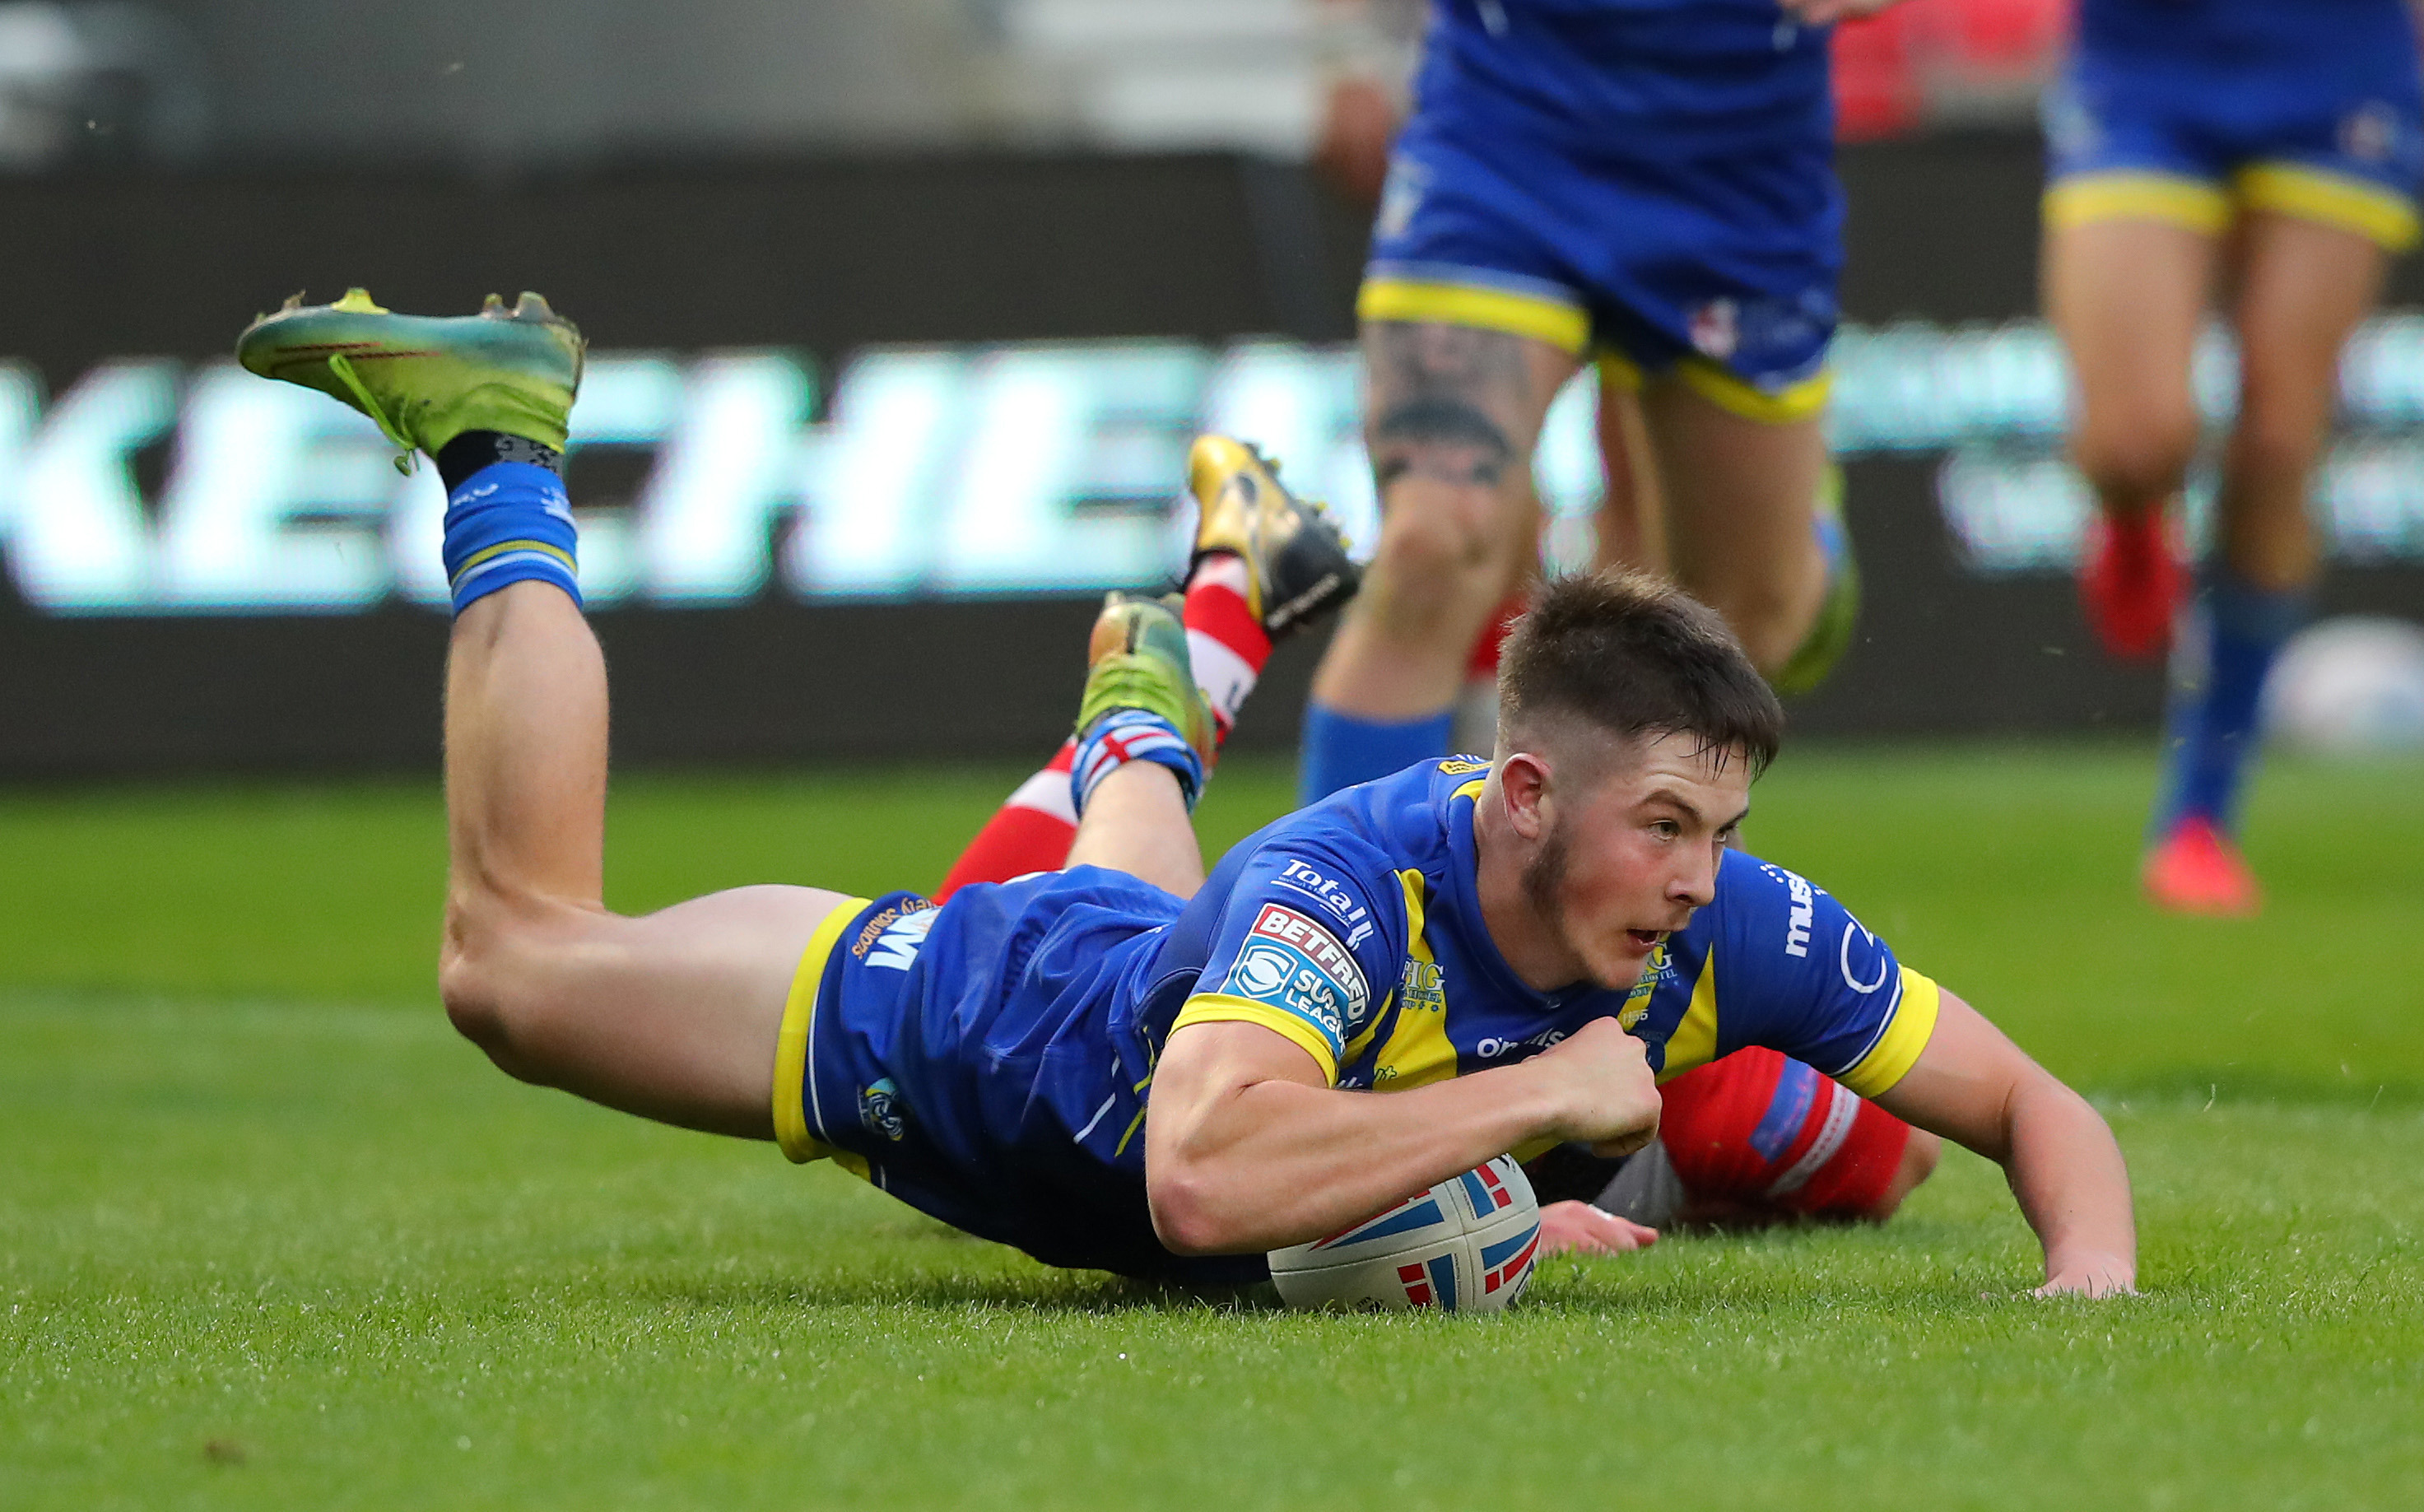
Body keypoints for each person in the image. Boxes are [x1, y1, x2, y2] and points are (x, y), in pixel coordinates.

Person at [235, 289, 2136, 1296]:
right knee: (510, 959)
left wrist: (2086, 1286)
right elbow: (1202, 1177)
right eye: (1666, 828)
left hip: (1140, 961)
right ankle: (505, 444)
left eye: (1721, 829)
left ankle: (1181, 656)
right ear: (1526, 792)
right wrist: (1537, 1109)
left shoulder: (1715, 921)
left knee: (1144, 895)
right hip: (979, 1035)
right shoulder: (1340, 886)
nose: (1703, 877)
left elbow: (2029, 1104)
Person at [1296, 0, 1894, 805]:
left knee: (1734, 630)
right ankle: (1326, 914)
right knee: (1431, 543)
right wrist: (1348, 53)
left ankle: (1802, 543)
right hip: (1504, 134)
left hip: (1734, 164)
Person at [2043, 0, 2424, 914]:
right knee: (2134, 440)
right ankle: (2131, 513)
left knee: (2278, 441)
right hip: (2145, 62)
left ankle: (2196, 818)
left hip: (2338, 62)